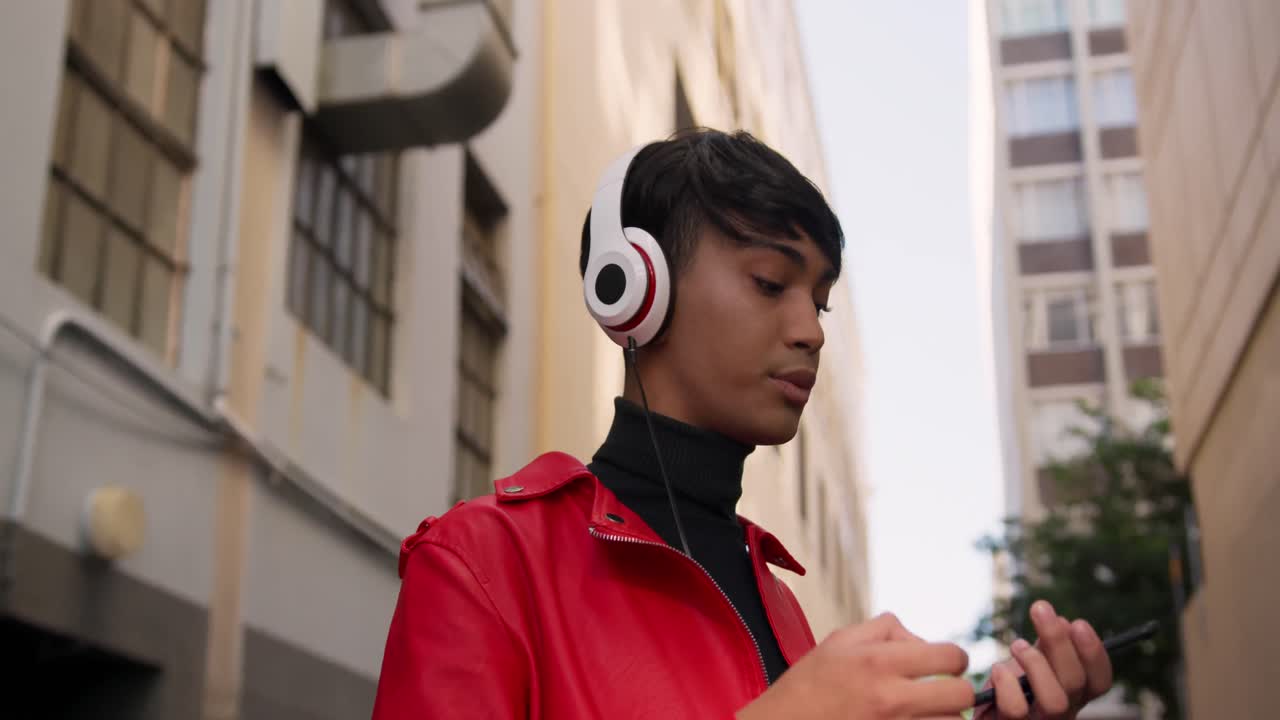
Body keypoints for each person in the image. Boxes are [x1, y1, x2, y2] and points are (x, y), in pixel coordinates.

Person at [370, 129, 1114, 719]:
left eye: (819, 301)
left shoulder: (779, 601)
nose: (811, 331)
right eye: (770, 282)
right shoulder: (482, 562)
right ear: (634, 289)